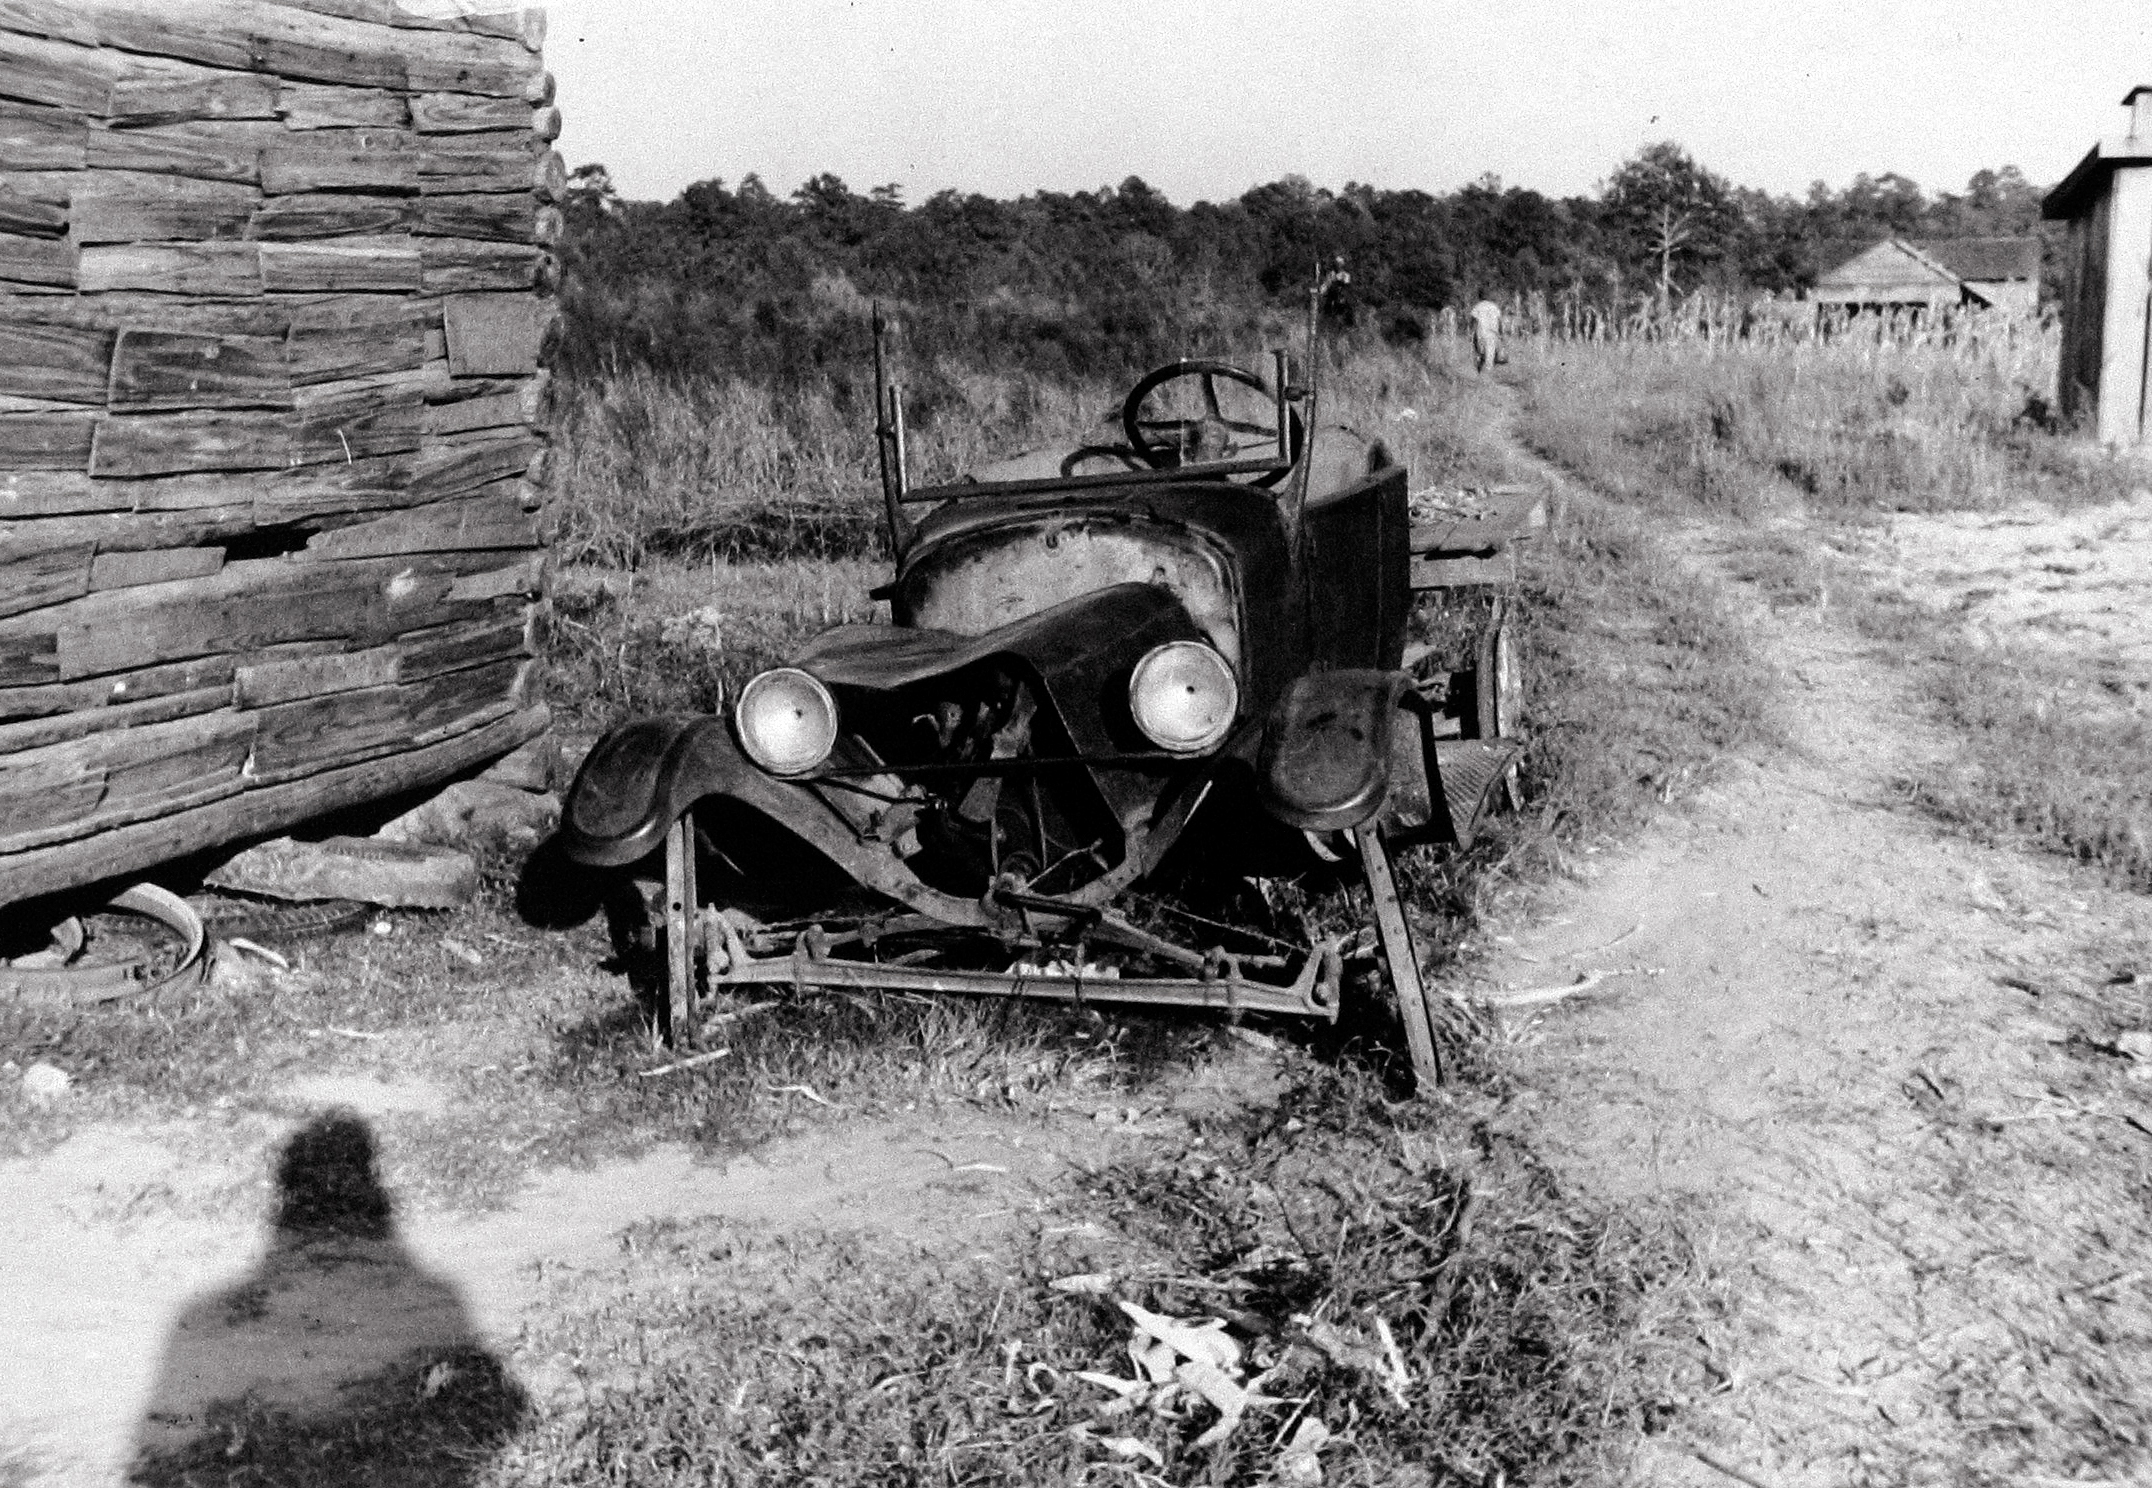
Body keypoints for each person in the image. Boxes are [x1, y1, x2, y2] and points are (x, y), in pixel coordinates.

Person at [1469, 298, 1503, 373]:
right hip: (1492, 333)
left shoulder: (1478, 306)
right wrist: (1501, 333)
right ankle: (1488, 373)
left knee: (1480, 351)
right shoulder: (1494, 307)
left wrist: (1471, 331)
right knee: (1490, 354)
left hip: (1481, 332)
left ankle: (1479, 371)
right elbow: (1499, 321)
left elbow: (1473, 320)